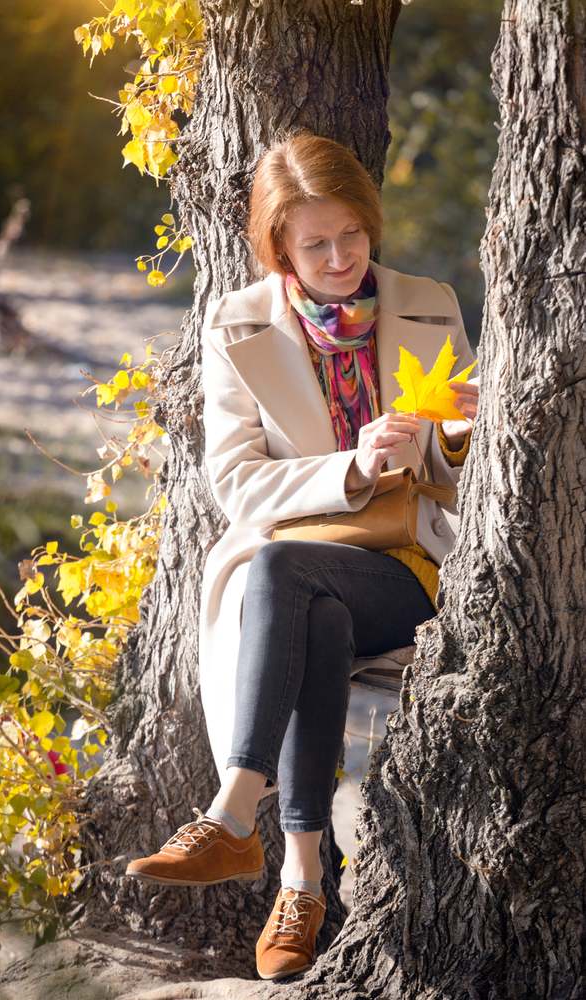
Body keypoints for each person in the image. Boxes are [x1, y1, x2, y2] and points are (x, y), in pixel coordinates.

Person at [126, 133, 478, 980]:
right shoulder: (237, 323)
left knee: (283, 575)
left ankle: (231, 815)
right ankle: (302, 879)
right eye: (313, 243)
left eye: (350, 235)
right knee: (301, 600)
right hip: (302, 568)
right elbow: (237, 486)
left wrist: (459, 435)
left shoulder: (429, 303)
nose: (337, 257)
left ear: (370, 223)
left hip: (408, 567)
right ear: (278, 245)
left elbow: (468, 474)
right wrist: (350, 465)